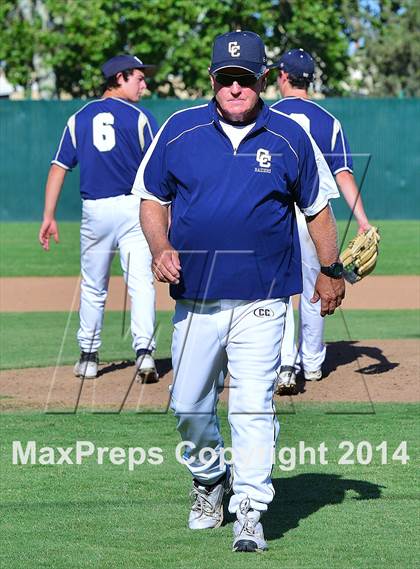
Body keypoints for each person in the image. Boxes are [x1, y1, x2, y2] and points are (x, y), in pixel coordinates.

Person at [135, 31, 345, 552]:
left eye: (245, 79)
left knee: (252, 406)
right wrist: (160, 246)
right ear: (213, 81)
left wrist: (330, 269)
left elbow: (318, 208)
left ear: (261, 81)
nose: (235, 88)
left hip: (263, 299)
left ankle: (251, 506)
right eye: (226, 79)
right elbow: (150, 198)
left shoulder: (292, 137)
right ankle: (210, 479)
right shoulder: (179, 130)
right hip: (196, 298)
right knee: (187, 404)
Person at [39, 54, 159, 383]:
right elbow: (159, 170)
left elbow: (59, 166)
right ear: (119, 77)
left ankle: (89, 357)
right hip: (135, 207)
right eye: (138, 77)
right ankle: (145, 354)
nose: (144, 84)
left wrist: (49, 215)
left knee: (94, 286)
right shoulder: (140, 118)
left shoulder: (79, 118)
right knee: (140, 283)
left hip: (95, 210)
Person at [271, 48, 372, 391]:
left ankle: (285, 365)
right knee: (318, 288)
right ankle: (312, 364)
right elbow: (343, 174)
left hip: (279, 216)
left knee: (280, 293)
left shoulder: (267, 116)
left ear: (283, 76)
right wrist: (363, 220)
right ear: (309, 80)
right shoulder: (329, 120)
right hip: (317, 220)